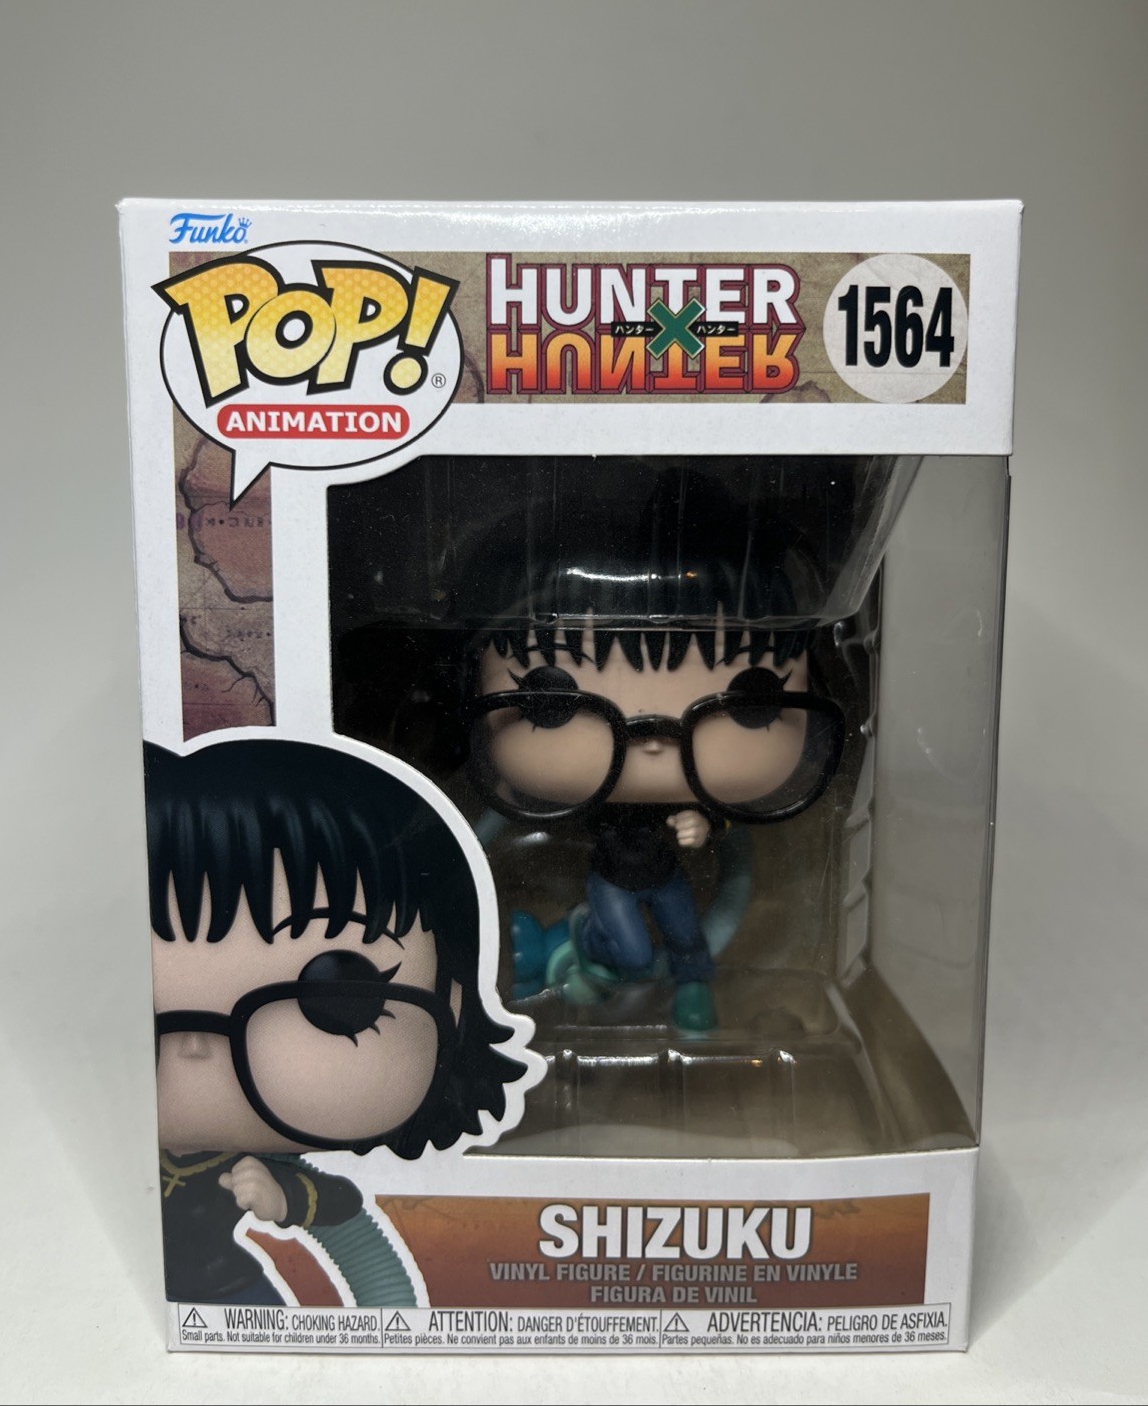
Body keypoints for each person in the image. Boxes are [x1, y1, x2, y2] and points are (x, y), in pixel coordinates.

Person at [464, 464, 844, 1035]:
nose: (654, 740)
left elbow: (732, 851)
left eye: (751, 698)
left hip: (665, 876)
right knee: (638, 954)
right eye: (553, 699)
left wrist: (706, 824)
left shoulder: (699, 797)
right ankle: (576, 941)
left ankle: (691, 987)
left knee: (688, 935)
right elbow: (488, 827)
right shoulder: (561, 797)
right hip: (611, 883)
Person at [147, 737, 528, 1305]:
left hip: (237, 1299)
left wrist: (282, 1197)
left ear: (453, 1000)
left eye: (336, 995)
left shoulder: (258, 1164)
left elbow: (351, 1224)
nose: (195, 1046)